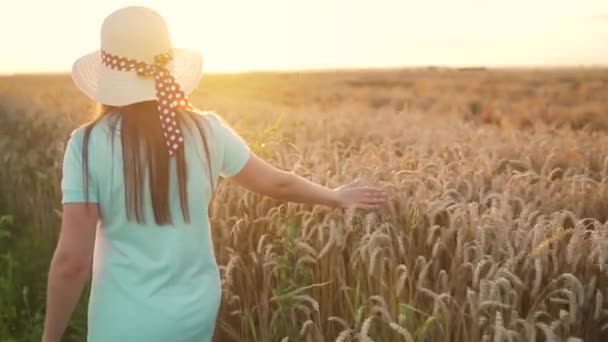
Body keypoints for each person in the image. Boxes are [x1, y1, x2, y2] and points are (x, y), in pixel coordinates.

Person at [42, 6, 387, 342]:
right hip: (194, 314)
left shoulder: (87, 145)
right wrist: (335, 196)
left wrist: (49, 336)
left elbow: (73, 262)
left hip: (126, 322)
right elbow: (275, 182)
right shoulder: (207, 131)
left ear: (109, 72)